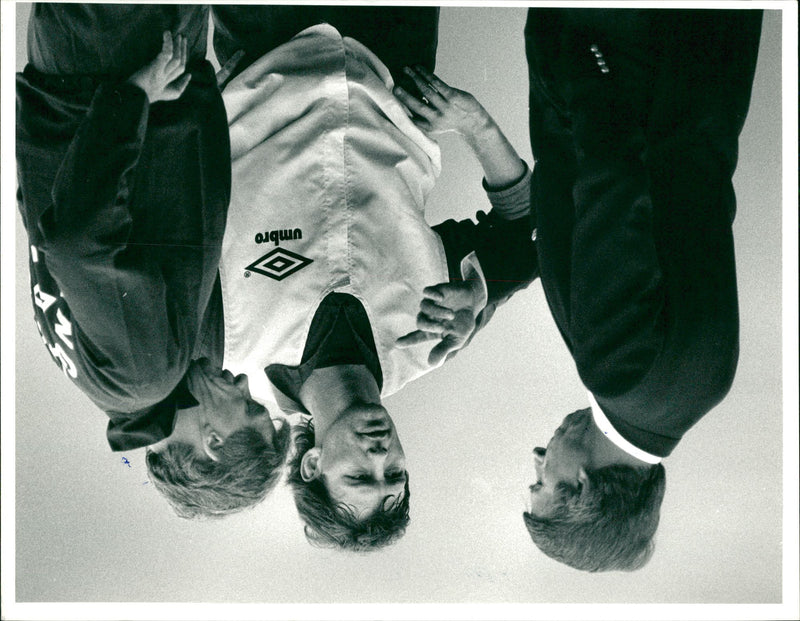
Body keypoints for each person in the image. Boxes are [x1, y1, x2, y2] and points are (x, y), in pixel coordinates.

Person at [408, 8, 763, 570]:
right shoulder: (615, 375)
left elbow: (680, 221)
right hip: (625, 50)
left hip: (703, 70)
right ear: (578, 486)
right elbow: (612, 184)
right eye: (539, 483)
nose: (536, 458)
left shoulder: (705, 390)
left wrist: (489, 292)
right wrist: (581, 56)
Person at [210, 6, 538, 551]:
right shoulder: (429, 341)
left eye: (360, 476)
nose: (381, 456)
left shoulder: (233, 349)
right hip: (391, 49)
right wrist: (474, 125)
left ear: (312, 463)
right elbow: (525, 238)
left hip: (266, 42)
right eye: (396, 475)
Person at [16, 4, 290, 520]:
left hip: (114, 61)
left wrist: (132, 98)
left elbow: (76, 241)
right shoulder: (116, 388)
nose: (247, 386)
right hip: (83, 75)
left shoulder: (146, 376)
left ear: (212, 441)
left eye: (250, 411)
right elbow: (44, 220)